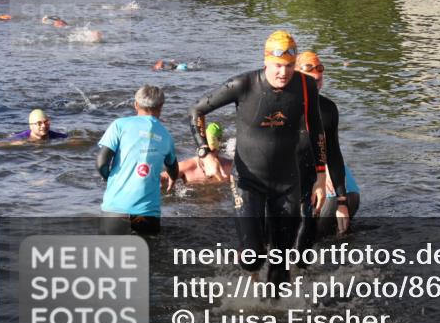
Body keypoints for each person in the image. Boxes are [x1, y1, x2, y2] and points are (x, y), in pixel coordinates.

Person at [189, 30, 346, 283]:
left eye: (289, 66)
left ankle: (277, 312)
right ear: (265, 62)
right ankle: (249, 274)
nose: (283, 73)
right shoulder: (244, 85)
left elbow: (317, 129)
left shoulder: (305, 87)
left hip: (287, 182)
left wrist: (319, 175)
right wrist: (205, 152)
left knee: (281, 263)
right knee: (253, 257)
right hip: (248, 181)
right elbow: (196, 110)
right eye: (277, 66)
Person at [295, 51, 359, 245]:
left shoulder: (328, 109)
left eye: (319, 81)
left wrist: (341, 201)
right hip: (291, 179)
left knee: (345, 200)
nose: (316, 86)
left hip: (324, 182)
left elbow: (334, 152)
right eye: (311, 81)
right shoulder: (281, 106)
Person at [96, 85, 178, 235]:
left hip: (115, 209)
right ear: (161, 107)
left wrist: (108, 177)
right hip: (147, 214)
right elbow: (172, 166)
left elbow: (101, 162)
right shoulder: (166, 136)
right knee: (148, 257)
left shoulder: (119, 125)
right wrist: (172, 178)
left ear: (136, 104)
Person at [161, 122, 234, 191]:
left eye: (213, 150)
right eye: (209, 151)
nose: (211, 157)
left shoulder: (230, 166)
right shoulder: (189, 166)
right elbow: (163, 178)